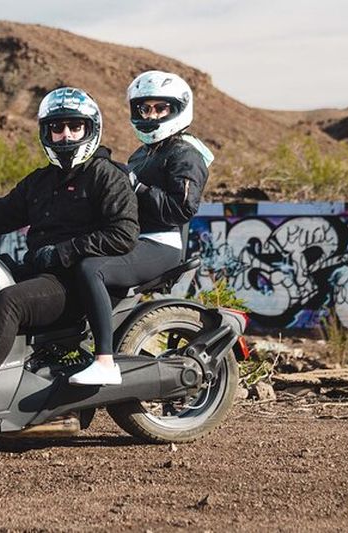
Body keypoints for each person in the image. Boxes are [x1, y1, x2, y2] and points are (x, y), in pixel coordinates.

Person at [0, 87, 139, 435]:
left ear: (90, 129)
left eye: (74, 126)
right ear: (46, 132)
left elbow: (123, 234)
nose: (65, 134)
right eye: (57, 127)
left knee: (10, 302)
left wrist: (63, 252)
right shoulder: (40, 182)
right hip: (43, 273)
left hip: (79, 283)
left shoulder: (106, 175)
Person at [68, 70, 214, 386]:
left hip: (162, 243)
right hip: (133, 238)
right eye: (144, 109)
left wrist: (135, 186)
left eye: (160, 108)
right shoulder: (142, 153)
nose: (150, 115)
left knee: (92, 269)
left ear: (178, 109)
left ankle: (104, 361)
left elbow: (181, 209)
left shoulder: (185, 152)